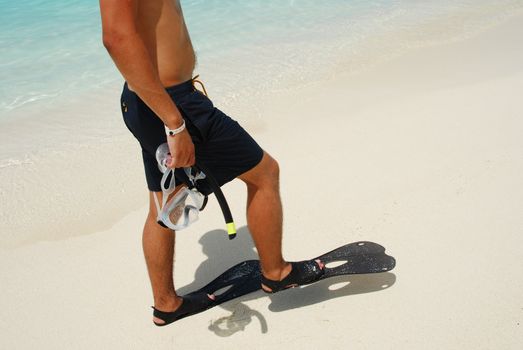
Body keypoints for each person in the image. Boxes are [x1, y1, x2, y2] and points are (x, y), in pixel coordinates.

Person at [99, 0, 324, 326]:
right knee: (264, 173)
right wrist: (175, 122)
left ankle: (166, 304)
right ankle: (276, 273)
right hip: (170, 104)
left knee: (165, 202)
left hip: (148, 100)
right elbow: (116, 37)